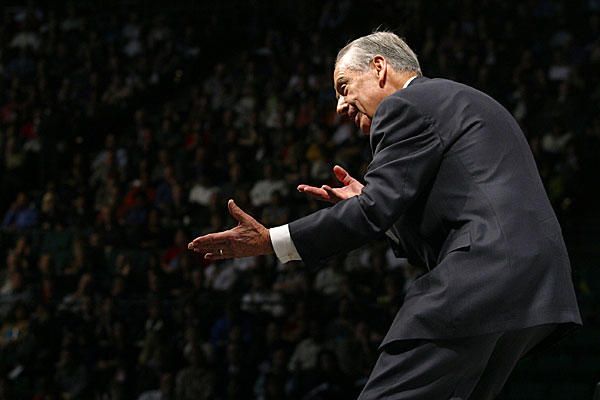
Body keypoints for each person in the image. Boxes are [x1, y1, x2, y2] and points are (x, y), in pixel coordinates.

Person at [188, 31, 582, 399]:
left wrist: (272, 241)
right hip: (536, 288)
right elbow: (455, 211)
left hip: (483, 277)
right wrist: (375, 205)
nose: (340, 106)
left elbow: (373, 212)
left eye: (343, 87)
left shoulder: (406, 105)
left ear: (379, 68)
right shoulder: (457, 99)